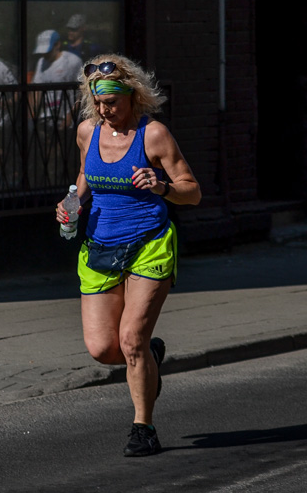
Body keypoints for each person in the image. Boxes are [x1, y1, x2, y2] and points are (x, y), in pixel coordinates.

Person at [55, 54, 201, 457]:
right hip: (101, 244)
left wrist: (161, 186)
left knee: (131, 337)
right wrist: (73, 201)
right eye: (99, 104)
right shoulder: (87, 132)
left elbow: (192, 190)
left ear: (133, 97)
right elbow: (87, 175)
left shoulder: (153, 136)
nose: (105, 111)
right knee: (104, 349)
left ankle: (143, 427)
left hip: (149, 245)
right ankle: (150, 358)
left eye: (113, 103)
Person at [31, 29, 83, 125]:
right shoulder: (41, 62)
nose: (44, 54)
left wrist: (70, 115)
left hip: (68, 117)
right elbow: (37, 89)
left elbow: (83, 91)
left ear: (57, 45)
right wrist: (34, 112)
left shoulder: (72, 61)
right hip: (47, 117)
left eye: (47, 51)